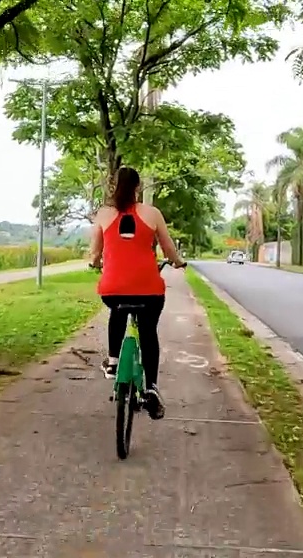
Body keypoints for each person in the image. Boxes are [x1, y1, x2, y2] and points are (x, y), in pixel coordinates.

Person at [88, 166, 186, 420]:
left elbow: (94, 253)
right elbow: (168, 248)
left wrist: (95, 263)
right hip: (149, 290)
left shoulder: (103, 214)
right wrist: (177, 262)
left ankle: (112, 361)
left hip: (112, 289)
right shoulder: (152, 213)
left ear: (113, 186)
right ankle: (151, 389)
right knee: (148, 332)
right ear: (138, 187)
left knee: (117, 309)